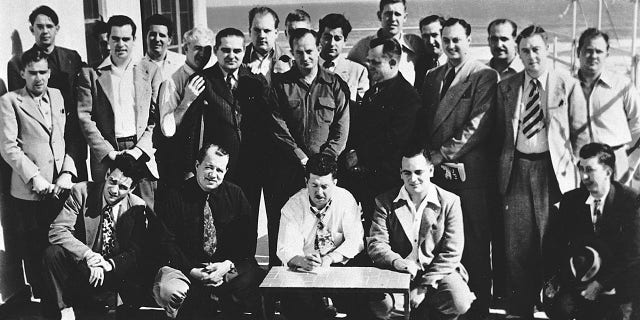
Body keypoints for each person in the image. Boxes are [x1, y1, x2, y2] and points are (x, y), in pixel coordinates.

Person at [495, 25, 588, 319]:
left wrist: (582, 180)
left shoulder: (568, 85)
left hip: (555, 172)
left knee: (553, 241)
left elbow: (580, 135)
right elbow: (500, 135)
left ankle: (553, 305)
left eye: (536, 49)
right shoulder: (506, 87)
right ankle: (519, 308)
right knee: (517, 244)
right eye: (525, 50)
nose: (531, 56)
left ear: (547, 49)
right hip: (517, 170)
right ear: (518, 53)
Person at [413, 17, 498, 319]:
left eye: (456, 40)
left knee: (474, 243)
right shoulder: (433, 75)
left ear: (469, 41)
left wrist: (439, 155)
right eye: (445, 40)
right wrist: (425, 157)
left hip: (467, 175)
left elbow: (477, 126)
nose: (450, 45)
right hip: (437, 174)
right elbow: (424, 122)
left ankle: (478, 309)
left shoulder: (483, 75)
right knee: (436, 239)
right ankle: (444, 304)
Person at [153, 144, 265, 319]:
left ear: (226, 171)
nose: (213, 174)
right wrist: (192, 270)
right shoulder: (176, 195)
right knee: (167, 290)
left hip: (226, 268)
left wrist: (226, 266)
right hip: (186, 268)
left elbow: (248, 240)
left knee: (255, 280)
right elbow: (166, 241)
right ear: (197, 165)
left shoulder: (235, 194)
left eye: (219, 170)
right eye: (208, 167)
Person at [0, 48, 76, 299]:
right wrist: (35, 177)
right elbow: (8, 147)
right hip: (29, 193)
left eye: (43, 72)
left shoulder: (57, 95)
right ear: (22, 73)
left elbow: (64, 139)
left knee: (59, 247)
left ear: (50, 72)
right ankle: (45, 308)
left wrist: (67, 172)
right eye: (32, 73)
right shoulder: (10, 101)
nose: (38, 78)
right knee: (35, 253)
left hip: (59, 189)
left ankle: (65, 304)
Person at [270, 28, 350, 265]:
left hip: (324, 173)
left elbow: (341, 128)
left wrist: (323, 162)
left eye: (309, 51)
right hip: (289, 169)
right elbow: (277, 125)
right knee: (286, 227)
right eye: (299, 52)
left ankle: (325, 288)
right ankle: (282, 294)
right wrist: (301, 157)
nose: (305, 57)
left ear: (319, 50)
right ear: (292, 53)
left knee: (326, 228)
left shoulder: (335, 85)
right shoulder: (281, 85)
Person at [367, 146, 475, 320]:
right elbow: (376, 244)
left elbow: (452, 252)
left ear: (431, 170)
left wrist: (423, 287)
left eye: (419, 172)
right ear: (400, 173)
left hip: (435, 274)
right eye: (407, 173)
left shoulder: (450, 202)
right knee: (384, 307)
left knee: (459, 301)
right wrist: (398, 262)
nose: (413, 179)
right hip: (398, 272)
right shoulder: (384, 202)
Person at [42, 155, 149, 320]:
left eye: (122, 187)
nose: (113, 190)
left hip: (110, 272)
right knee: (53, 253)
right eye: (112, 181)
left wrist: (107, 265)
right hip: (83, 266)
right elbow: (57, 229)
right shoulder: (82, 191)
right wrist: (88, 254)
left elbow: (135, 252)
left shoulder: (138, 206)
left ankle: (106, 304)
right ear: (106, 175)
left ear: (132, 188)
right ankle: (65, 308)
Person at [545, 143, 640, 320]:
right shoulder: (571, 201)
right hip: (581, 282)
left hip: (617, 284)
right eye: (581, 169)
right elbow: (555, 244)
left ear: (608, 172)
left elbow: (632, 254)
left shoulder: (631, 201)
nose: (584, 176)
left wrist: (601, 284)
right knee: (559, 306)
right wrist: (555, 279)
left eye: (590, 170)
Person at [76, 15, 161, 211]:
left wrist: (138, 151)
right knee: (108, 213)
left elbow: (154, 119)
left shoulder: (150, 71)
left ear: (134, 40)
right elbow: (84, 117)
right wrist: (108, 152)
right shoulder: (90, 73)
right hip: (107, 153)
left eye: (126, 39)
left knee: (144, 211)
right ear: (108, 40)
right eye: (115, 38)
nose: (120, 44)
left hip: (141, 151)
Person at [344, 33, 421, 230]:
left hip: (388, 182)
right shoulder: (373, 92)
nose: (368, 67)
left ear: (393, 62)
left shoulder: (407, 97)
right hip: (368, 178)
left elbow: (394, 140)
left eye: (375, 63)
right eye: (368, 61)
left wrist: (360, 155)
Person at [277, 154, 366, 319]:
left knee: (362, 302)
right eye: (314, 185)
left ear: (335, 183)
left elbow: (356, 240)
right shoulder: (293, 206)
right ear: (306, 182)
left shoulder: (346, 199)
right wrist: (303, 261)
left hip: (338, 265)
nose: (319, 192)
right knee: (294, 305)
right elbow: (285, 248)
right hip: (305, 270)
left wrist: (330, 258)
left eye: (325, 186)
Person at [7, 5, 87, 181]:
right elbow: (19, 106)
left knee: (77, 193)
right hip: (42, 141)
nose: (45, 31)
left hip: (72, 135)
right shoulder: (18, 64)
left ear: (57, 29)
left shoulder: (72, 57)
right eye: (40, 26)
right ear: (31, 29)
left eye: (49, 26)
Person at [576, 28, 640, 185]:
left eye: (599, 51)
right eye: (588, 50)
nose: (593, 56)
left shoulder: (622, 85)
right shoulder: (566, 87)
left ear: (607, 55)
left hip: (615, 163)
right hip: (579, 164)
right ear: (579, 52)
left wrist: (624, 157)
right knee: (579, 208)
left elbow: (637, 123)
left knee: (616, 208)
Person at [156, 26, 215, 187]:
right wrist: (187, 101)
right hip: (179, 164)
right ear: (185, 48)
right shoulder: (172, 81)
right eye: (197, 48)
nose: (202, 54)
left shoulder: (211, 77)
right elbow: (167, 130)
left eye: (207, 49)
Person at [348, 0, 425, 86]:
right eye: (388, 14)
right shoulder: (362, 47)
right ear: (379, 16)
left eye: (397, 14)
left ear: (405, 17)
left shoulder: (415, 44)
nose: (393, 19)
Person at [318, 13, 369, 103]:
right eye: (327, 37)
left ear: (344, 41)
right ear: (319, 38)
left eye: (337, 38)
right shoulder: (308, 66)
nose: (332, 43)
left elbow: (363, 107)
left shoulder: (358, 71)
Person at [244, 6, 292, 83]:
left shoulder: (290, 60)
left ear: (276, 33)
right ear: (250, 32)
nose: (262, 35)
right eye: (257, 30)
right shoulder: (238, 58)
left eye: (267, 31)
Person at [142, 14, 186, 81]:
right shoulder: (136, 66)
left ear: (169, 40)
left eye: (162, 35)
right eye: (153, 34)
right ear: (146, 37)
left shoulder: (182, 63)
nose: (157, 39)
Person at [415, 15, 446, 89]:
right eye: (425, 36)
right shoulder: (421, 65)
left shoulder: (455, 63)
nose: (430, 41)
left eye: (434, 35)